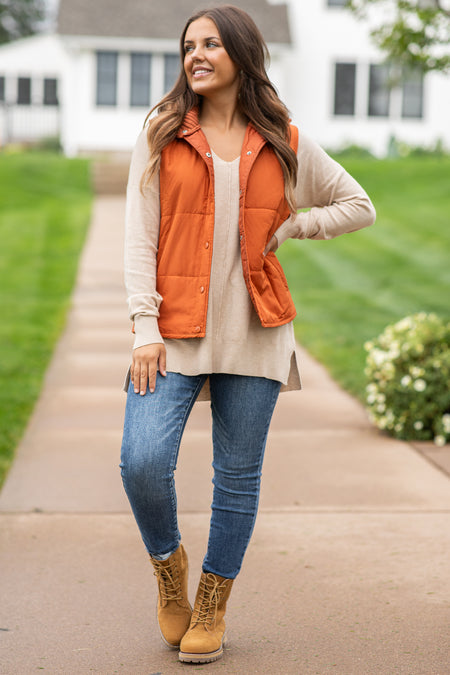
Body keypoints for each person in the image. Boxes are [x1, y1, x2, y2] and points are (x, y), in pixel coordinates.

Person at [120, 3, 376, 665]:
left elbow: (357, 204)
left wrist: (296, 226)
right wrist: (143, 325)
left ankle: (212, 600)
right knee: (142, 461)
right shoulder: (163, 131)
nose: (195, 56)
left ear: (241, 52)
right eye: (188, 47)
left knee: (236, 479)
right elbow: (137, 236)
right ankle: (169, 566)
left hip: (257, 332)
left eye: (210, 44)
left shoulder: (283, 136)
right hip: (172, 329)